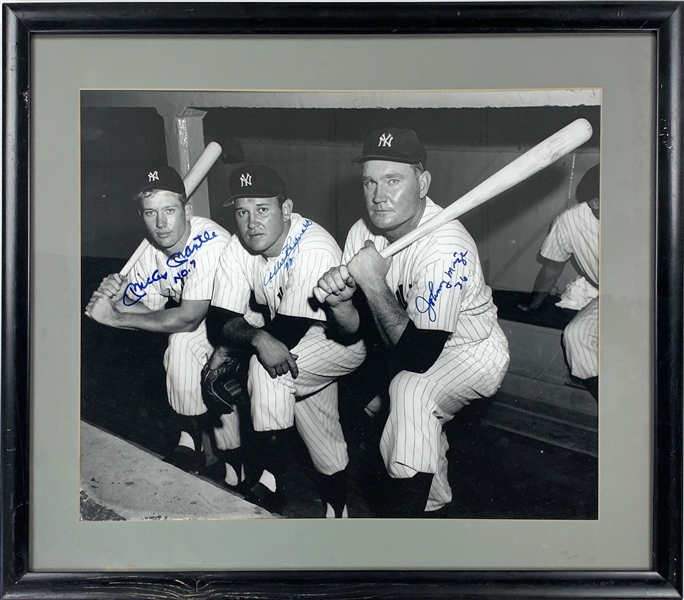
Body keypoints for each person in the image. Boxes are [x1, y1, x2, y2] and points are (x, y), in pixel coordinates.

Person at [314, 127, 510, 517]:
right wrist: (339, 305)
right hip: (406, 340)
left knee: (411, 392)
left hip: (471, 350)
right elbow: (354, 329)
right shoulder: (362, 232)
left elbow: (420, 355)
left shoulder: (446, 245)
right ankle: (434, 509)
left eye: (393, 180)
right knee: (402, 424)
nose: (378, 194)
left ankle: (404, 540)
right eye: (370, 181)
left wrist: (371, 281)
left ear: (422, 183)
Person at [205, 165, 366, 517]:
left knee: (269, 373)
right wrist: (252, 338)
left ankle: (271, 482)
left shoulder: (313, 246)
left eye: (263, 209)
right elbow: (219, 319)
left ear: (287, 209)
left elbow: (286, 334)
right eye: (242, 211)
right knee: (320, 430)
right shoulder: (239, 246)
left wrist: (241, 348)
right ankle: (338, 511)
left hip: (337, 342)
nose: (251, 223)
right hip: (286, 335)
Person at [85, 165, 236, 473]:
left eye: (169, 210)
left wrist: (114, 318)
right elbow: (149, 311)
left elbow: (188, 318)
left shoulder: (211, 242)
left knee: (182, 342)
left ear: (187, 209)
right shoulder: (149, 251)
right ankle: (196, 443)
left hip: (243, 327)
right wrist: (121, 297)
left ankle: (201, 445)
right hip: (202, 327)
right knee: (181, 350)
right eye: (150, 213)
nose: (162, 223)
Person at [518, 164, 600, 401]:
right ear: (594, 202)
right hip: (614, 297)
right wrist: (534, 303)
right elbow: (552, 267)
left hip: (662, 295)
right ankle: (614, 408)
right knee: (576, 336)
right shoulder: (570, 222)